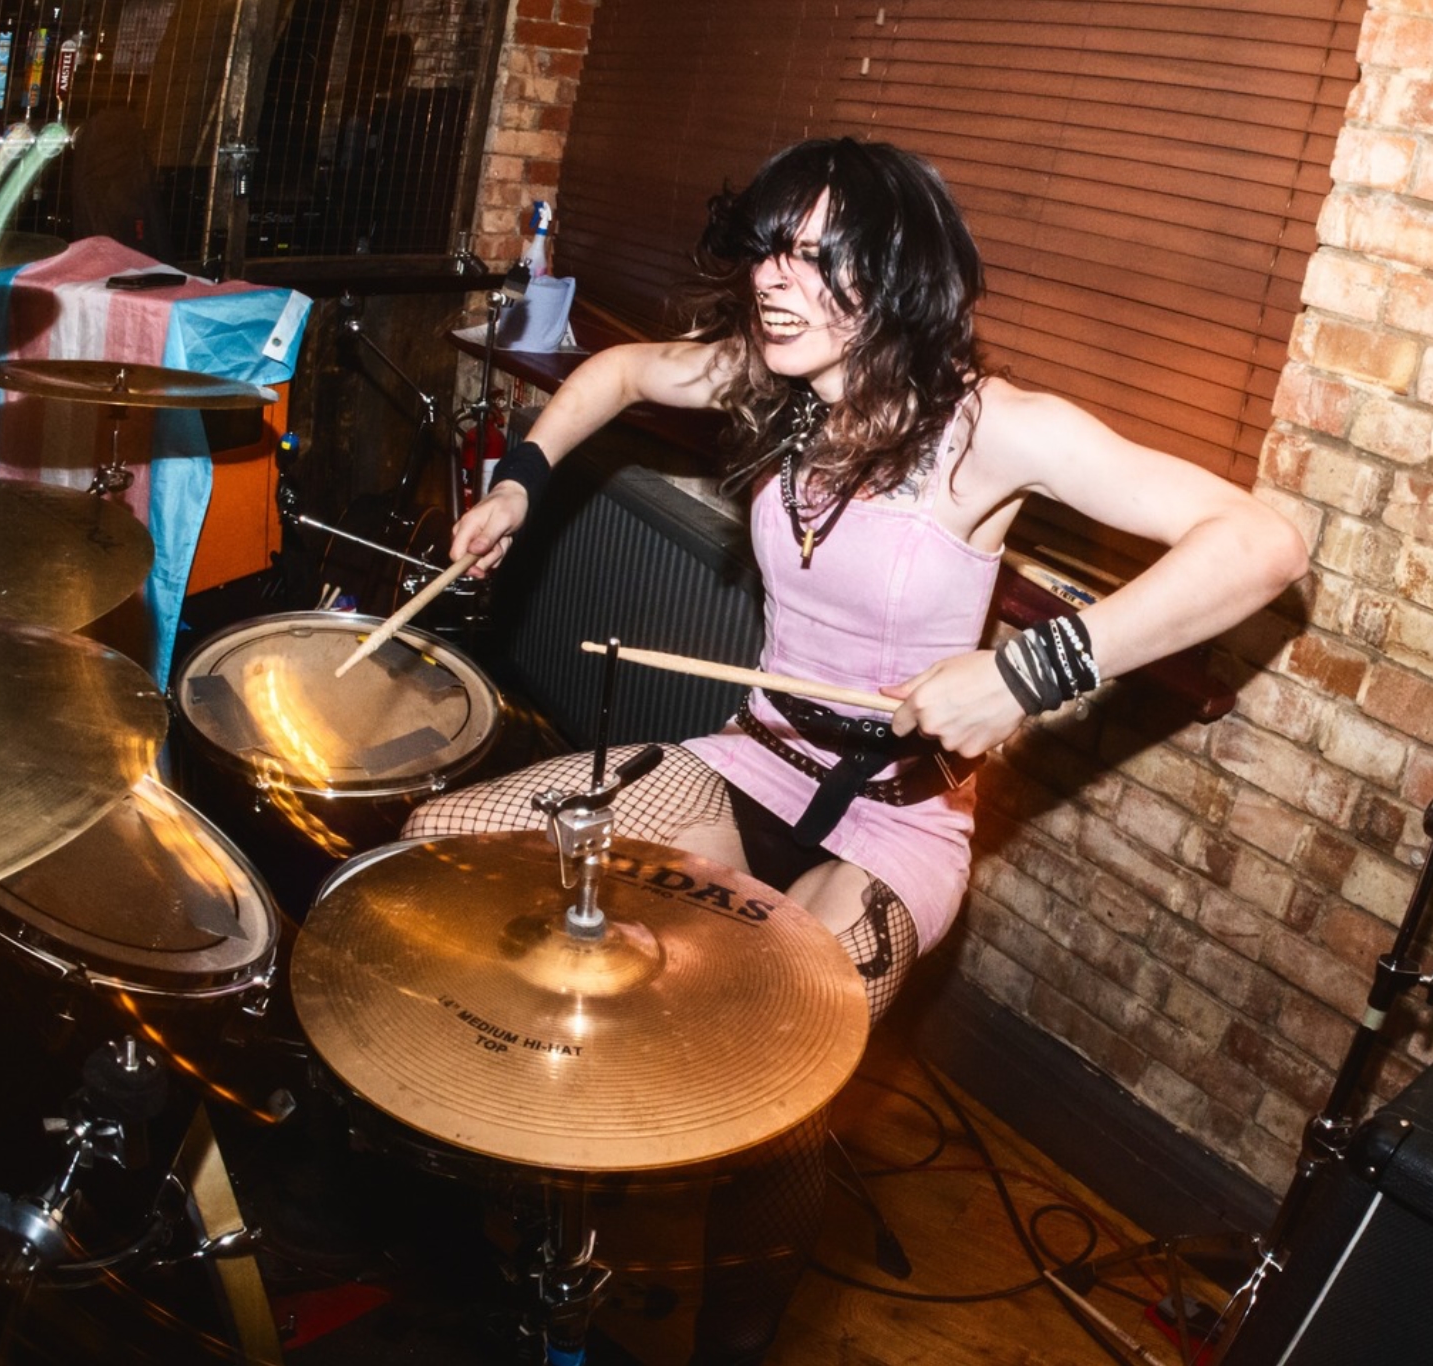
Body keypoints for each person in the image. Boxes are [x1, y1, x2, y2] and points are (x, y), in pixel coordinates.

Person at [400, 136, 1309, 1364]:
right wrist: (517, 481)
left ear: (897, 275)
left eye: (815, 254)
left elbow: (1258, 544)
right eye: (769, 246)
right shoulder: (774, 380)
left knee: (768, 1080)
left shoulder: (990, 431)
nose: (775, 277)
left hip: (894, 820)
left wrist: (1030, 669)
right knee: (437, 846)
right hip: (746, 759)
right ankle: (525, 1204)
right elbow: (614, 373)